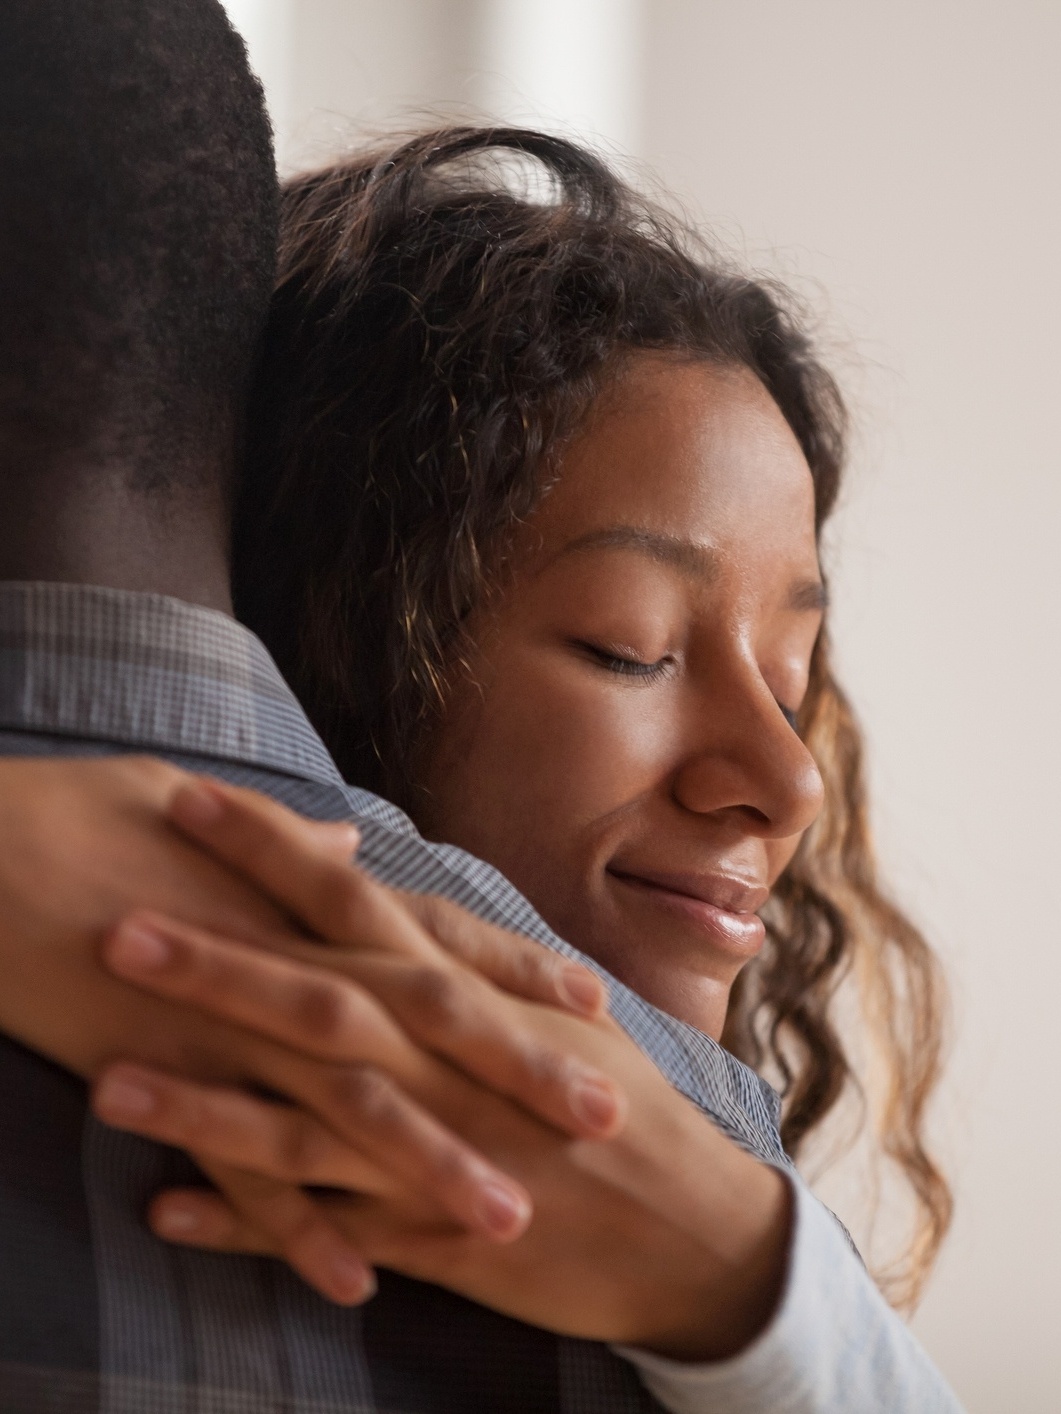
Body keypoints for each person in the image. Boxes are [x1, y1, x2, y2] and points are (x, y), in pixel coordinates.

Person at [0, 5, 962, 1409]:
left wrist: (746, 1277)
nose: (787, 776)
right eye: (629, 647)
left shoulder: (688, 1206)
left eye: (797, 675)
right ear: (336, 622)